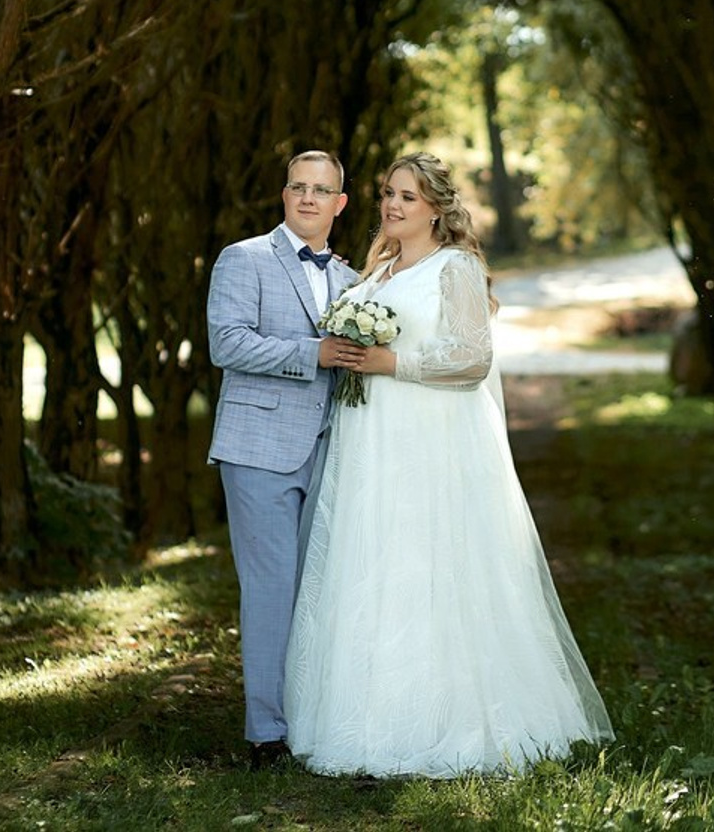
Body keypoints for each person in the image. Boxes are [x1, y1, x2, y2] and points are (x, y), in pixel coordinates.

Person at [284, 152, 614, 778]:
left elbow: (472, 360)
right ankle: (367, 714)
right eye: (387, 193)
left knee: (432, 561)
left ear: (436, 208)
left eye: (408, 197)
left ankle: (456, 718)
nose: (393, 205)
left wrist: (393, 364)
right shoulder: (377, 273)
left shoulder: (455, 267)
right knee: (374, 561)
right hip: (371, 440)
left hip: (428, 438)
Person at [207, 149, 362, 769]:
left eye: (321, 191)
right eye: (298, 187)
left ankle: (312, 717)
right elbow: (228, 342)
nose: (308, 199)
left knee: (319, 589)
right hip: (259, 448)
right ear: (283, 195)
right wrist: (312, 353)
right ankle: (266, 734)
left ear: (339, 204)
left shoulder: (354, 281)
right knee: (271, 589)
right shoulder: (243, 258)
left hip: (332, 448)